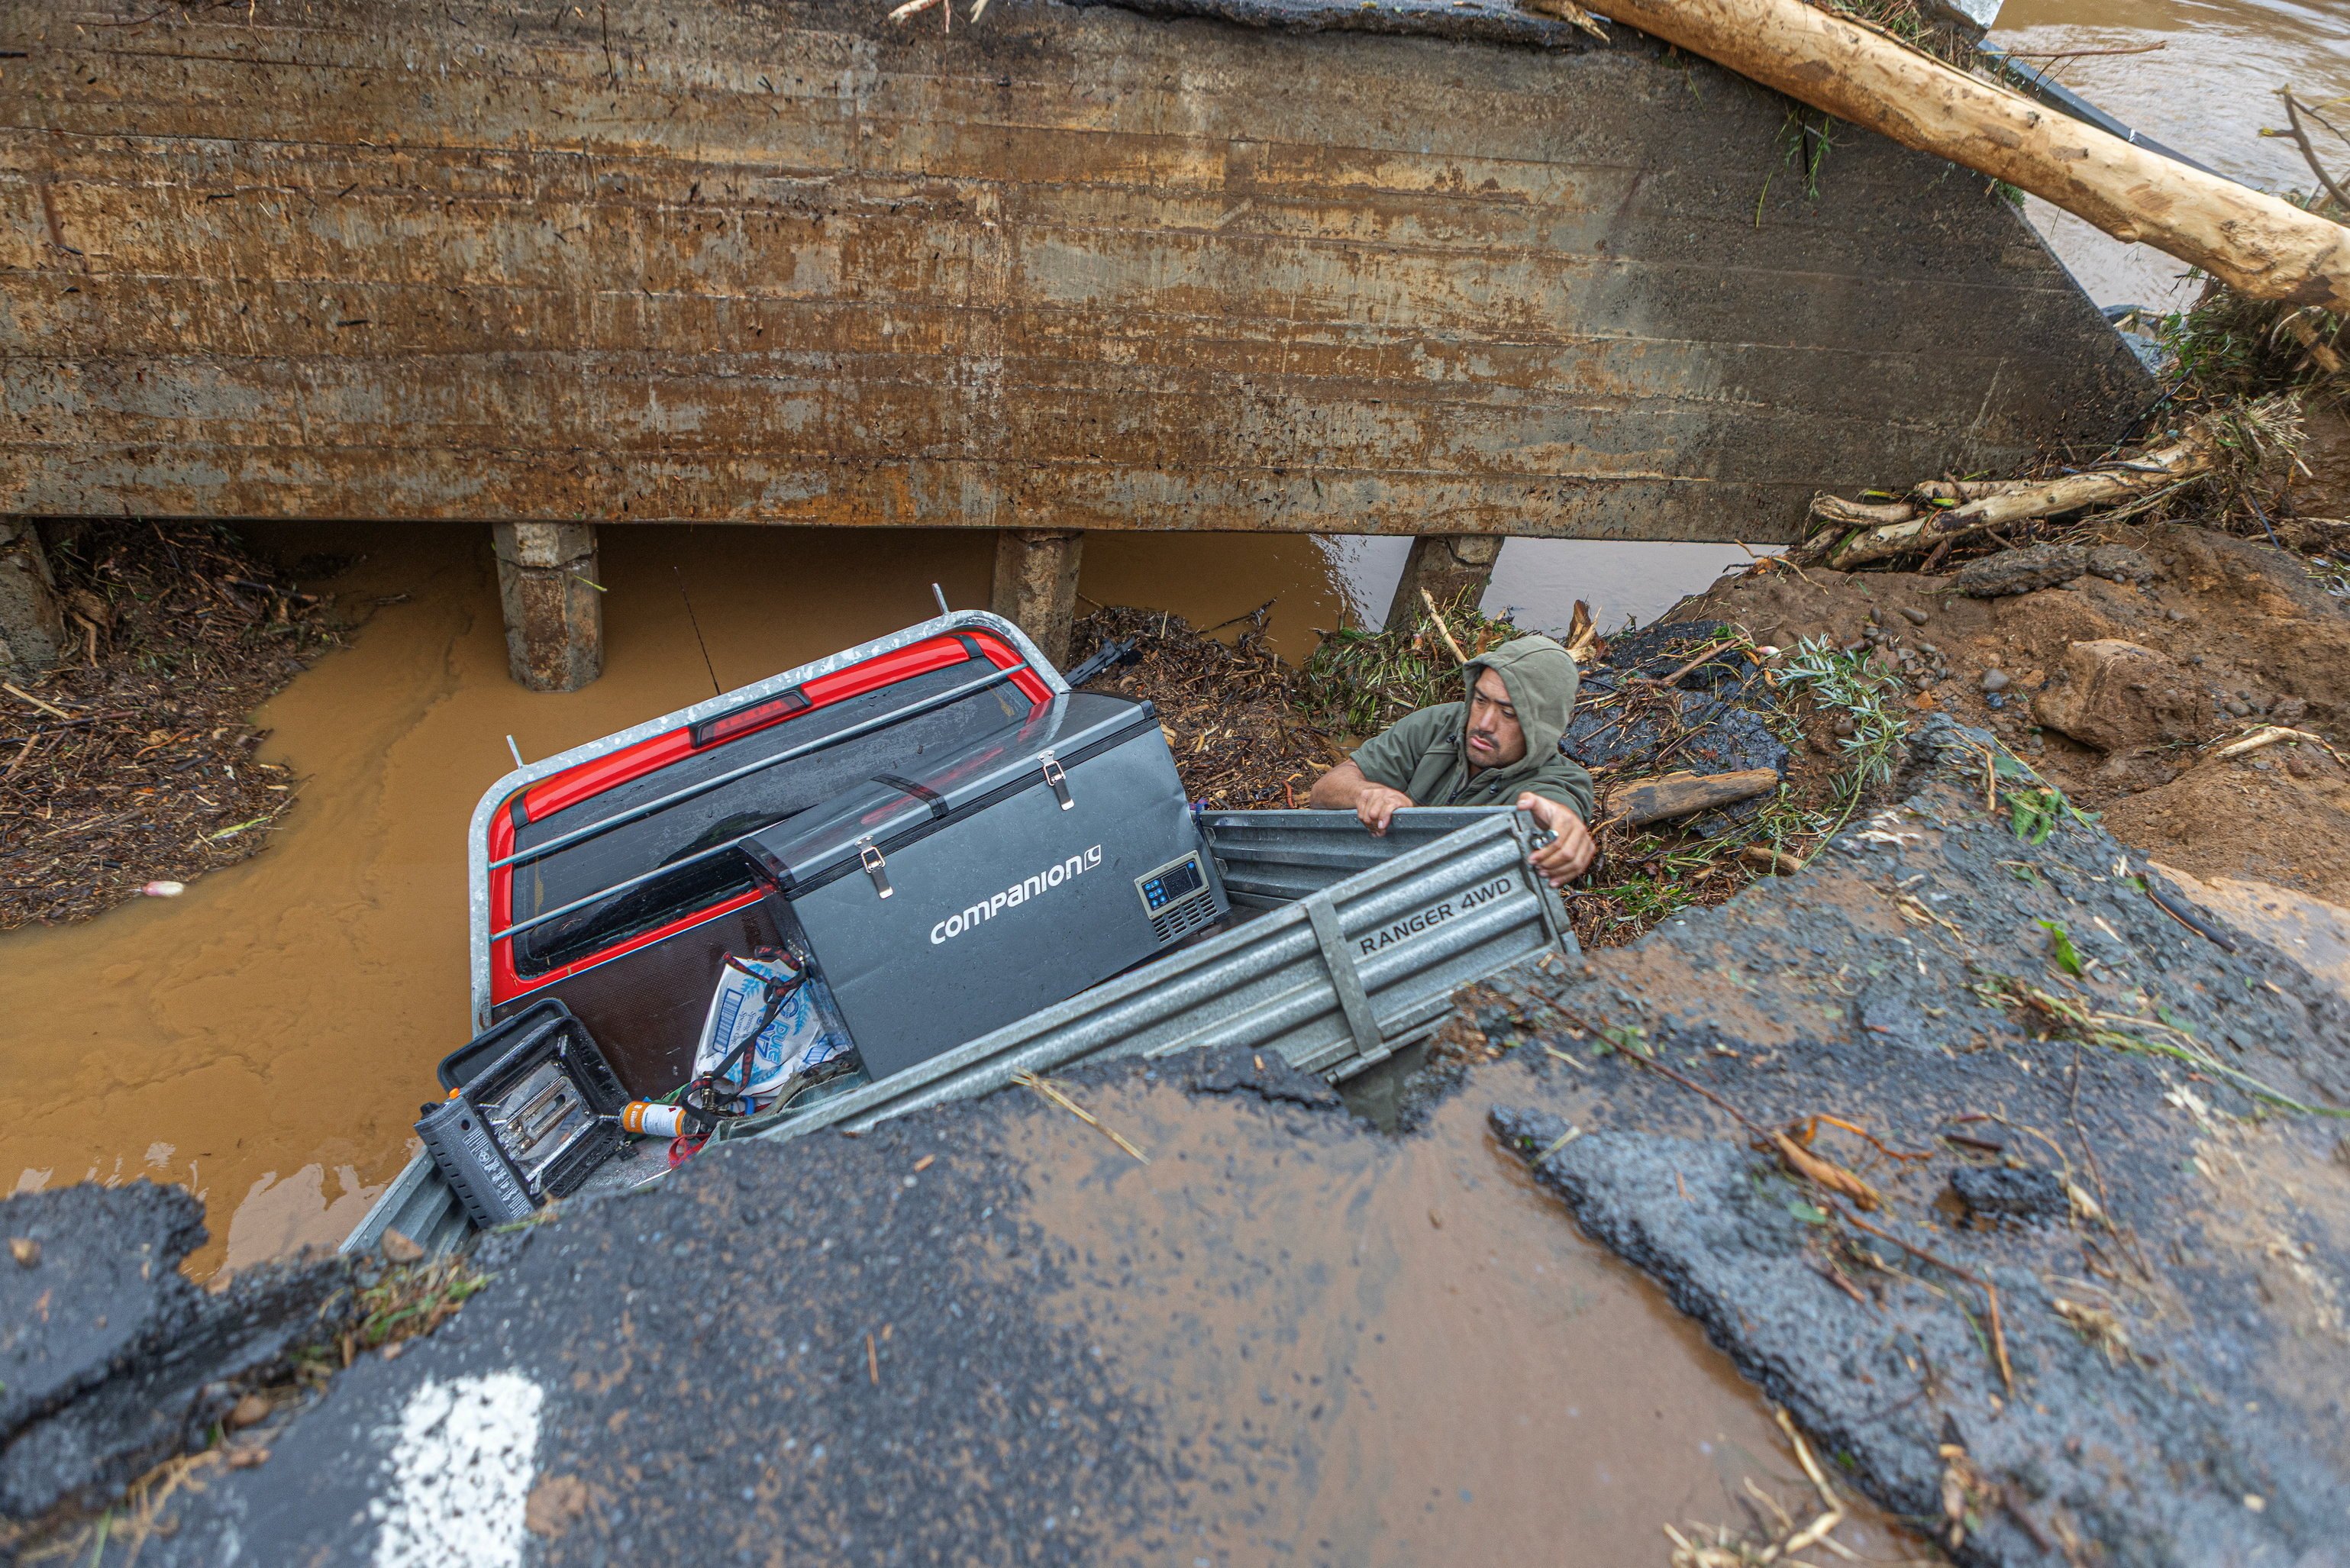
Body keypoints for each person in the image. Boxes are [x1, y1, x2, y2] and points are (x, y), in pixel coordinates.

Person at [1308, 632, 1597, 886]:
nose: (1484, 723)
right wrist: (1369, 794)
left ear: (1541, 726)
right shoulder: (1437, 724)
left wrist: (1564, 829)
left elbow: (1560, 811)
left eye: (1508, 713)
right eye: (1481, 700)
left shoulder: (1560, 779)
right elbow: (1323, 791)